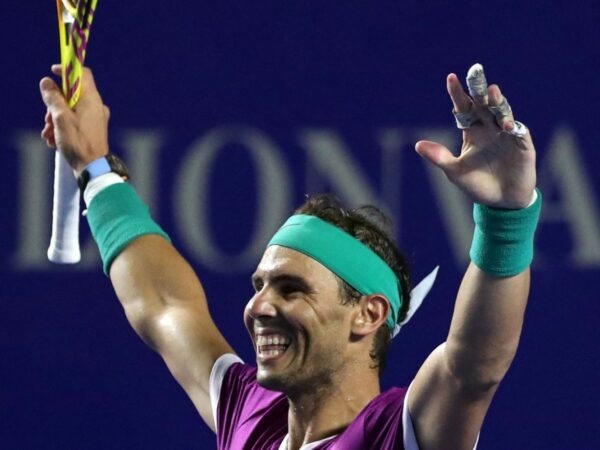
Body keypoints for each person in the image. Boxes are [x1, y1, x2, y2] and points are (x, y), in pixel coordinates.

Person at [39, 62, 541, 450]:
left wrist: (507, 219)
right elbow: (166, 304)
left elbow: (473, 367)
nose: (258, 308)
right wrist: (95, 168)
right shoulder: (249, 414)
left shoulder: (397, 434)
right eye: (259, 285)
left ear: (367, 314)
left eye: (290, 288)